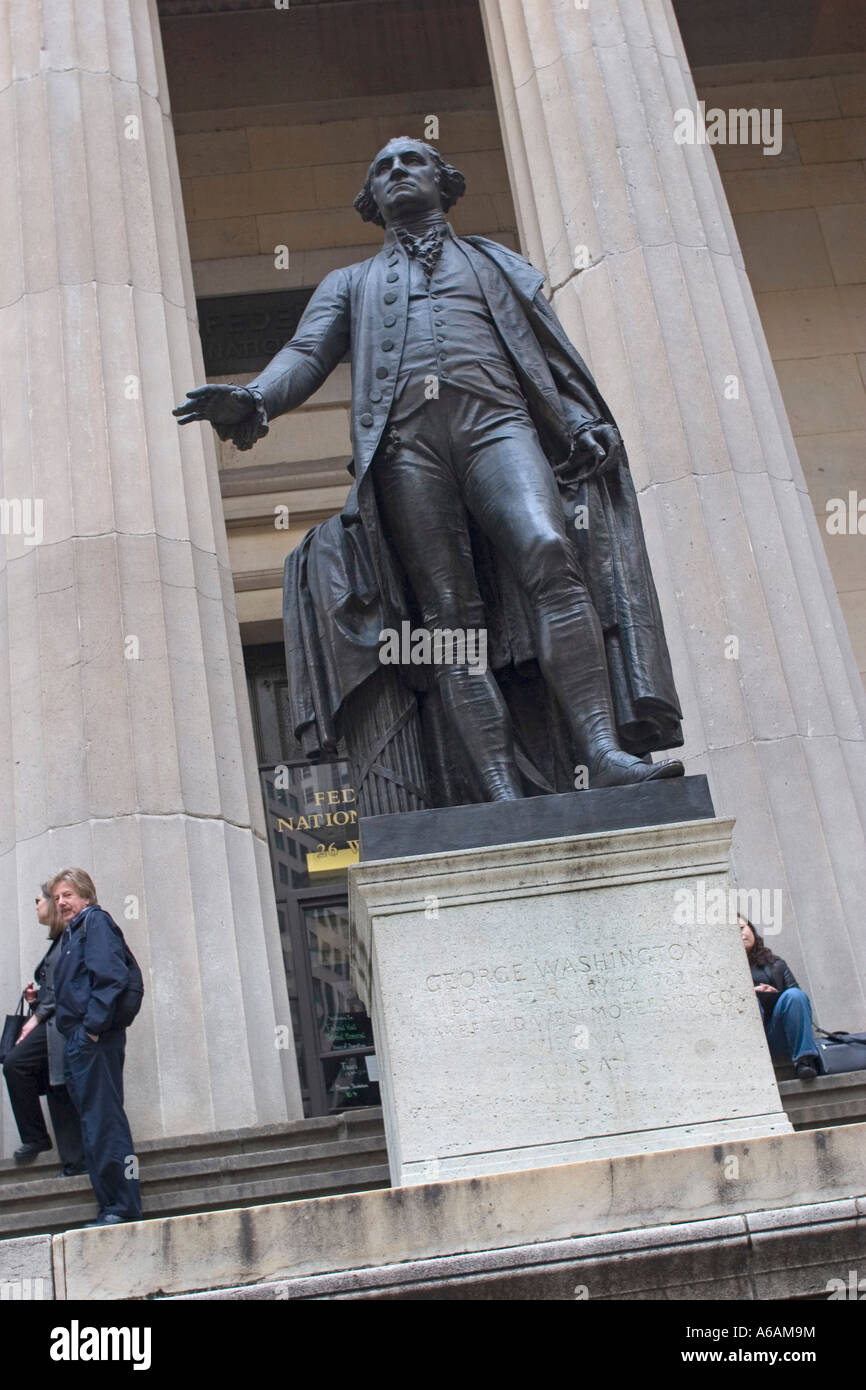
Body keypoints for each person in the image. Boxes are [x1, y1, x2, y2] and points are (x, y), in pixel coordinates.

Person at [174, 137, 684, 809]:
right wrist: (258, 398)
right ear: (371, 201)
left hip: (497, 425)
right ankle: (499, 794)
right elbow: (305, 352)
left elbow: (545, 349)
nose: (395, 173)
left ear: (444, 183)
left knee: (549, 549)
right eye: (381, 168)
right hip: (407, 449)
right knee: (449, 618)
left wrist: (577, 414)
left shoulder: (497, 265)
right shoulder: (351, 284)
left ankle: (602, 752)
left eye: (411, 161)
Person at [50, 868, 142, 1226]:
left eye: (68, 895)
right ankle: (112, 1205)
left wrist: (92, 1028)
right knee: (95, 1122)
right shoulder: (73, 933)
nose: (61, 902)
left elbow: (112, 977)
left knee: (106, 1123)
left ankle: (123, 1206)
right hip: (81, 1041)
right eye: (57, 897)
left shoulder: (96, 923)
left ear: (86, 896)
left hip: (94, 1040)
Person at [2, 886, 86, 1173]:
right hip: (53, 1023)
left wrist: (36, 1016)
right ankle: (65, 1155)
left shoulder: (69, 937)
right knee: (54, 1085)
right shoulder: (59, 940)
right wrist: (36, 1000)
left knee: (20, 1066)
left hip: (58, 1025)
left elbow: (66, 985)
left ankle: (54, 1148)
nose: (36, 905)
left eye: (37, 900)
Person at [739, 914, 821, 1080]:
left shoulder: (775, 964)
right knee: (750, 1000)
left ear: (751, 929)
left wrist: (775, 996)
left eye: (742, 928)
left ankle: (804, 1061)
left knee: (794, 995)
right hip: (746, 1043)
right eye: (734, 932)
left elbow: (798, 1004)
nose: (741, 934)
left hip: (778, 1034)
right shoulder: (722, 973)